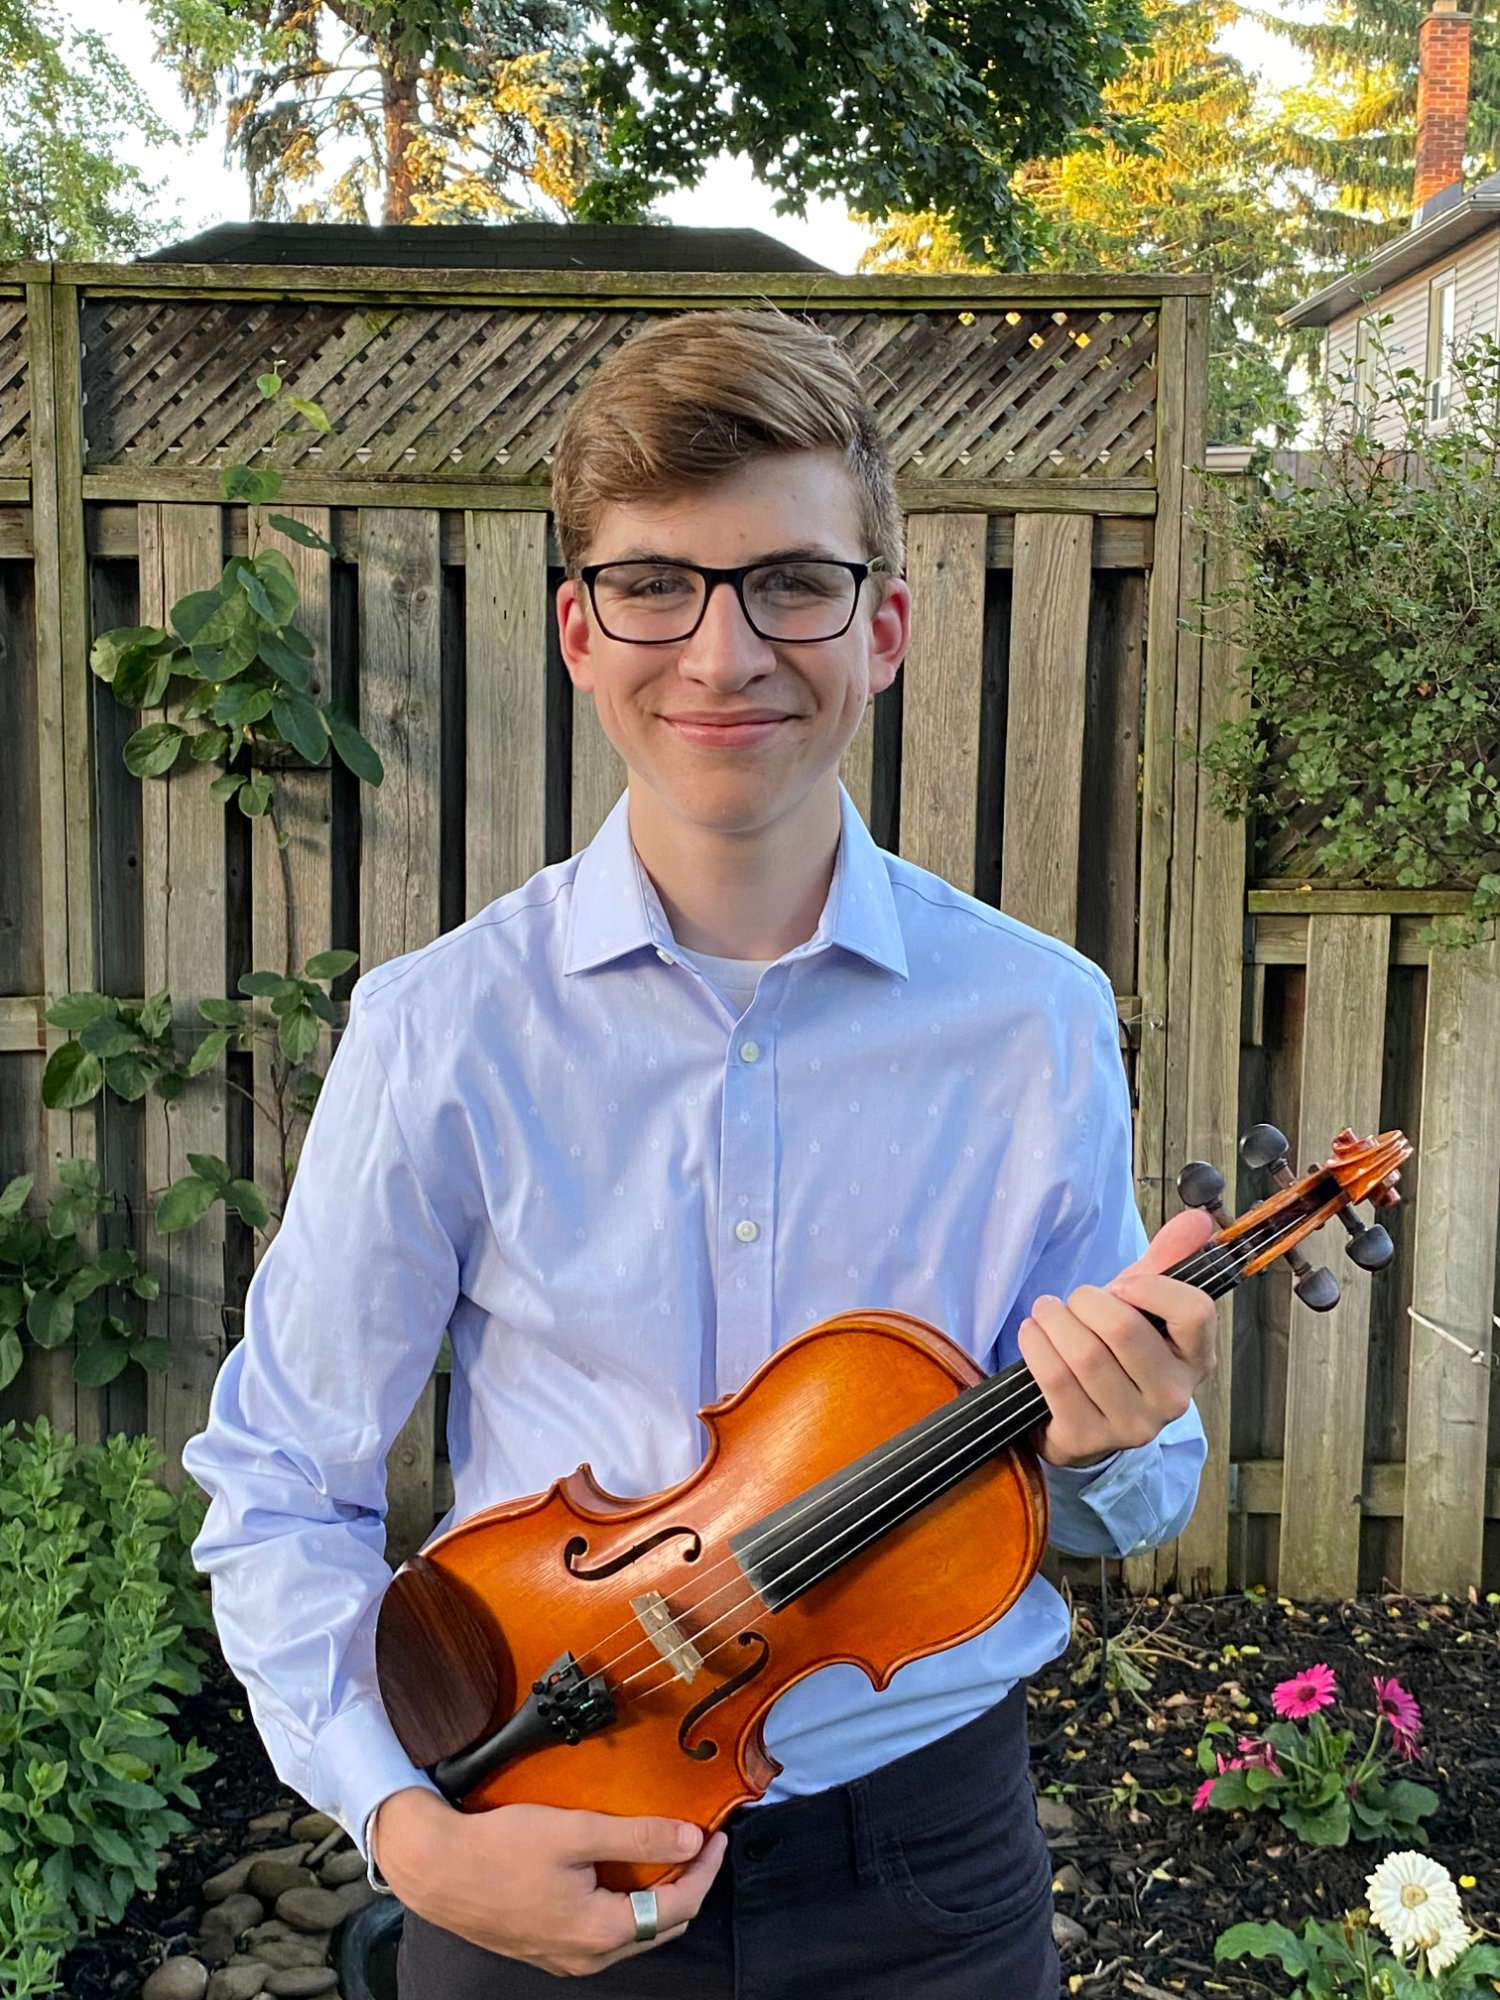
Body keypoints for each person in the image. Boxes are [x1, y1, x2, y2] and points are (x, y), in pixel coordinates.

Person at [182, 305, 1214, 1998]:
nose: (723, 656)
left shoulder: (1037, 1018)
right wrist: (407, 1831)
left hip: (928, 1869)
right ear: (581, 632)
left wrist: (1115, 1435)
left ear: (883, 626)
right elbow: (286, 1481)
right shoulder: (444, 1026)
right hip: (541, 1805)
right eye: (657, 584)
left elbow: (1116, 1504)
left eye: (789, 584)